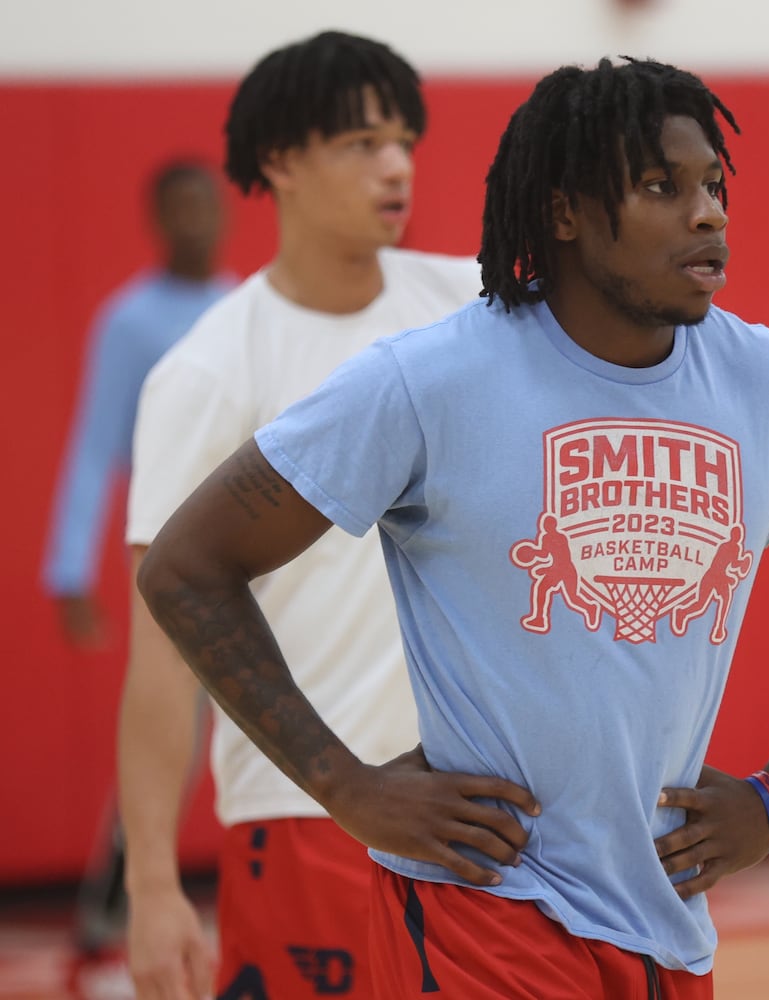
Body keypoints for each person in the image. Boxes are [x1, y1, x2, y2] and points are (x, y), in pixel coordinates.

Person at [136, 56, 769, 999]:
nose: (706, 213)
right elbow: (185, 566)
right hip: (478, 909)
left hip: (664, 919)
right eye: (660, 188)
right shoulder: (426, 381)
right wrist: (343, 784)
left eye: (712, 184)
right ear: (563, 213)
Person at [118, 31, 482, 1000]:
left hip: (479, 812)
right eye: (362, 143)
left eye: (404, 139)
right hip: (307, 807)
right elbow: (164, 653)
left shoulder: (472, 307)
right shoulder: (208, 369)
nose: (396, 165)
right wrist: (151, 881)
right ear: (280, 161)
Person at [39, 159, 230, 954]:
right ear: (157, 218)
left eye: (205, 205)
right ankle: (121, 892)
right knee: (170, 732)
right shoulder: (129, 321)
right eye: (178, 208)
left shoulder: (247, 305)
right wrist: (68, 568)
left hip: (257, 548)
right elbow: (93, 447)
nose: (194, 221)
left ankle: (284, 885)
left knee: (276, 720)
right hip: (166, 551)